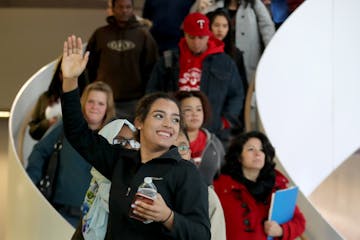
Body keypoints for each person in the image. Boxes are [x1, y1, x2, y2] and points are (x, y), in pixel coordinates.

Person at [60, 35, 210, 239]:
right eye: (159, 116)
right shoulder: (121, 160)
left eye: (175, 120)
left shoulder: (186, 172)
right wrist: (70, 80)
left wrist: (167, 216)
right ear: (139, 122)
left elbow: (201, 234)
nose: (168, 124)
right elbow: (77, 133)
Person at [26, 81, 116, 227]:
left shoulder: (114, 137)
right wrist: (30, 183)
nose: (95, 107)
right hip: (59, 212)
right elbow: (40, 151)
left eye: (101, 103)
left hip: (96, 219)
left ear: (107, 108)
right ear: (83, 103)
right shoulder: (65, 126)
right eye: (91, 101)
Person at [146, 12, 245, 145]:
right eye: (191, 37)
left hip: (213, 132)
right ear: (184, 34)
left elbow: (237, 94)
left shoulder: (225, 62)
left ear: (209, 35)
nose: (197, 42)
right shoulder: (168, 60)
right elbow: (152, 93)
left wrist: (225, 122)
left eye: (201, 37)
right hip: (172, 131)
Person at [214, 131, 306, 239]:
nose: (258, 154)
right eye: (251, 149)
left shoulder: (278, 187)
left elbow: (300, 222)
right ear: (239, 156)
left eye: (262, 150)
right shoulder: (221, 188)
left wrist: (281, 230)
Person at [86, 0, 158, 121]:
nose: (124, 10)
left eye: (128, 7)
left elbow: (152, 70)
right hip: (104, 100)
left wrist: (146, 98)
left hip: (134, 101)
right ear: (113, 9)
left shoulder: (143, 35)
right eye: (120, 7)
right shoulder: (100, 34)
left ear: (132, 9)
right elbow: (89, 67)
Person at [72, 119, 140, 240]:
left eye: (134, 142)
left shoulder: (137, 190)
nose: (129, 147)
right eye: (120, 141)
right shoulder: (95, 189)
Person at [175, 129, 226, 240]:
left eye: (183, 148)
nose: (176, 153)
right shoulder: (147, 187)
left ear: (189, 153)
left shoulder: (208, 195)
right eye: (169, 148)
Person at [28, 57, 87, 140]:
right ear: (59, 74)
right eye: (63, 71)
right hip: (49, 147)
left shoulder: (87, 98)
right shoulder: (45, 97)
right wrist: (47, 123)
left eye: (72, 71)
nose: (67, 75)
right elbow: (32, 130)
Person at [174, 91, 225, 186]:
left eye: (199, 109)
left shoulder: (214, 142)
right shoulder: (168, 142)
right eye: (188, 110)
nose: (195, 114)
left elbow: (222, 176)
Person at [223, 0, 275, 82]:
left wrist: (271, 52)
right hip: (224, 58)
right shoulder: (217, 5)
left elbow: (267, 27)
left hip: (249, 58)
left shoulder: (254, 4)